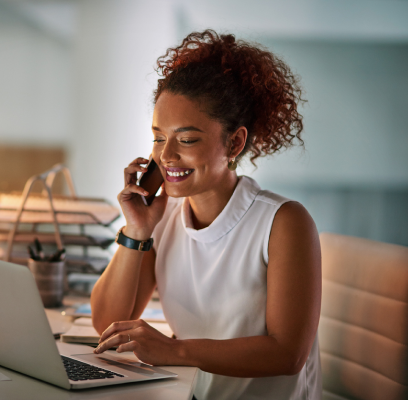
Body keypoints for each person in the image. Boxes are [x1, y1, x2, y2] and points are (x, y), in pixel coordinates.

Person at [90, 30, 322, 400]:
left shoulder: (283, 222)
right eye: (158, 137)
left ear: (233, 143)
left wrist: (174, 351)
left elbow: (288, 353)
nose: (165, 156)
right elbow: (107, 323)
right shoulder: (162, 217)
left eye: (186, 139)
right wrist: (136, 231)